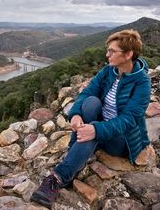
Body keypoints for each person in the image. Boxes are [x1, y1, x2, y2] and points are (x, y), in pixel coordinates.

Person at [30, 29, 151, 208]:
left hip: (122, 139)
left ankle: (58, 178)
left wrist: (96, 129)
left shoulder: (142, 83)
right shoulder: (108, 71)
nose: (107, 54)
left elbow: (129, 120)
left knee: (93, 129)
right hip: (100, 125)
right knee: (91, 103)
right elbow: (87, 93)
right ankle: (79, 149)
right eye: (108, 50)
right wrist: (76, 114)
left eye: (112, 51)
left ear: (128, 54)